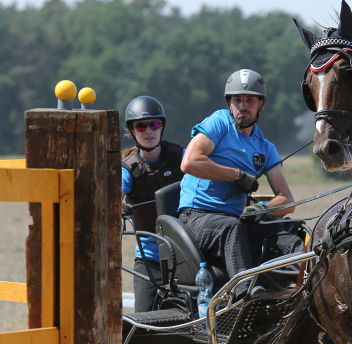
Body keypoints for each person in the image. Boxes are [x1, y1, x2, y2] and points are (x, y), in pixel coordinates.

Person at [178, 69, 303, 295]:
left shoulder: (265, 147)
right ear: (229, 102)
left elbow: (287, 200)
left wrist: (261, 209)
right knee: (231, 228)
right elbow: (190, 162)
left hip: (237, 221)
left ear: (261, 104)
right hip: (196, 217)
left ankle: (312, 288)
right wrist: (237, 175)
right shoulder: (218, 123)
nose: (243, 106)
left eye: (250, 100)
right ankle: (245, 294)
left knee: (290, 237)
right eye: (237, 100)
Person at [121, 96, 185, 312]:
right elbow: (112, 199)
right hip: (150, 260)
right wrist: (116, 208)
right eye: (141, 126)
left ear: (162, 126)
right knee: (142, 325)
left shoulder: (182, 157)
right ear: (132, 131)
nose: (148, 131)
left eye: (154, 124)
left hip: (185, 256)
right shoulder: (128, 169)